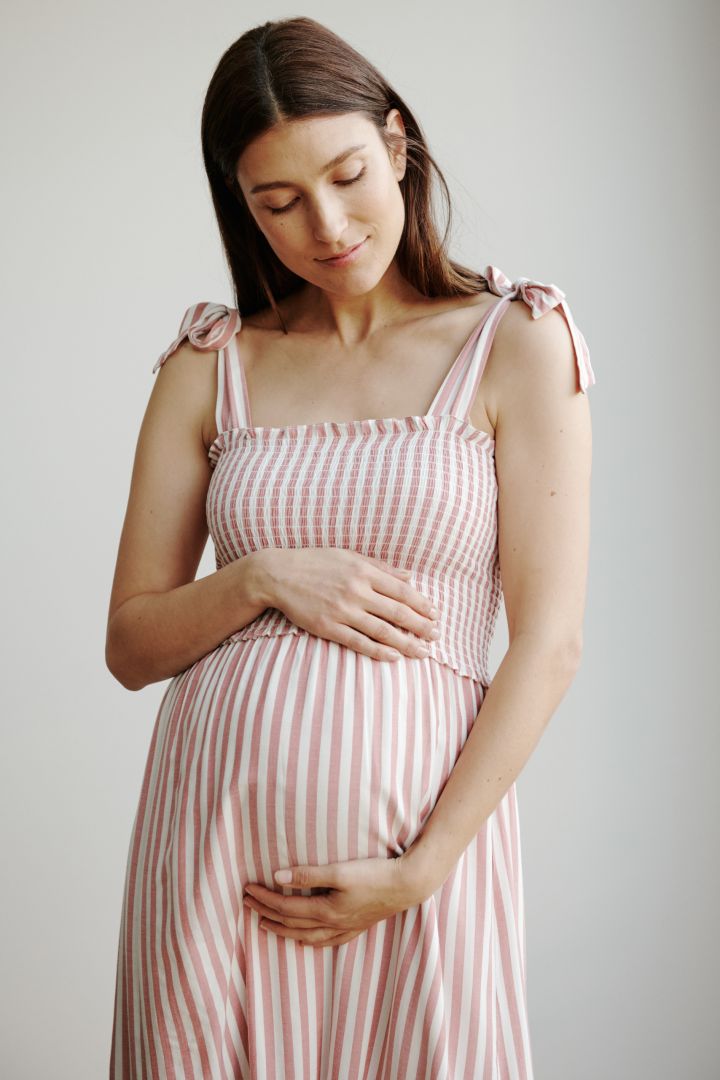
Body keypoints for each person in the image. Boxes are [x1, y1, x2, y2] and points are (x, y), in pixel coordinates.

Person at [106, 15, 596, 1080]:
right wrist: (260, 578)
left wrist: (424, 869)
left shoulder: (514, 339)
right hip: (212, 861)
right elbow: (133, 644)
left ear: (400, 144)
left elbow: (549, 642)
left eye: (347, 175)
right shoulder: (211, 363)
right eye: (277, 203)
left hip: (421, 860)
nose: (324, 225)